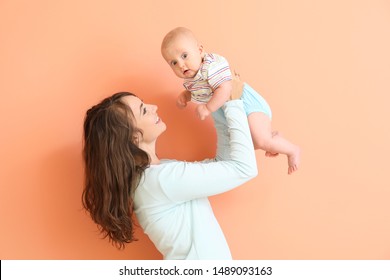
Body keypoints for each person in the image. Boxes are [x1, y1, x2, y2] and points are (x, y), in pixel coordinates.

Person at [81, 79, 258, 259]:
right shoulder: (159, 179)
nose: (154, 107)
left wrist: (218, 104)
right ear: (133, 137)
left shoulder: (159, 171)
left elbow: (223, 162)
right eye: (144, 110)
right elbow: (244, 168)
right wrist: (233, 104)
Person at [161, 27, 300, 174]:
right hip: (232, 112)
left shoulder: (211, 66)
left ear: (200, 50)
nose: (181, 64)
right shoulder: (192, 79)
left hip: (246, 104)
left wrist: (207, 108)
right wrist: (186, 96)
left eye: (184, 56)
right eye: (173, 63)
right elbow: (199, 92)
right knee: (245, 144)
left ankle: (292, 150)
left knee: (260, 140)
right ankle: (273, 139)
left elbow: (225, 89)